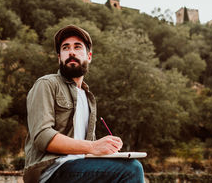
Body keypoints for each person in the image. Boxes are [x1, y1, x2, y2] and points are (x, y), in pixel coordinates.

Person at [23, 25, 145, 183]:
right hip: (51, 171)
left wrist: (107, 149)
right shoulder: (46, 84)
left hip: (80, 168)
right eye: (65, 48)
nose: (71, 52)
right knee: (132, 169)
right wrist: (93, 146)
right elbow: (42, 136)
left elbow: (87, 150)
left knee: (126, 164)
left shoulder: (89, 99)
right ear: (59, 57)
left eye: (77, 47)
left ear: (89, 56)